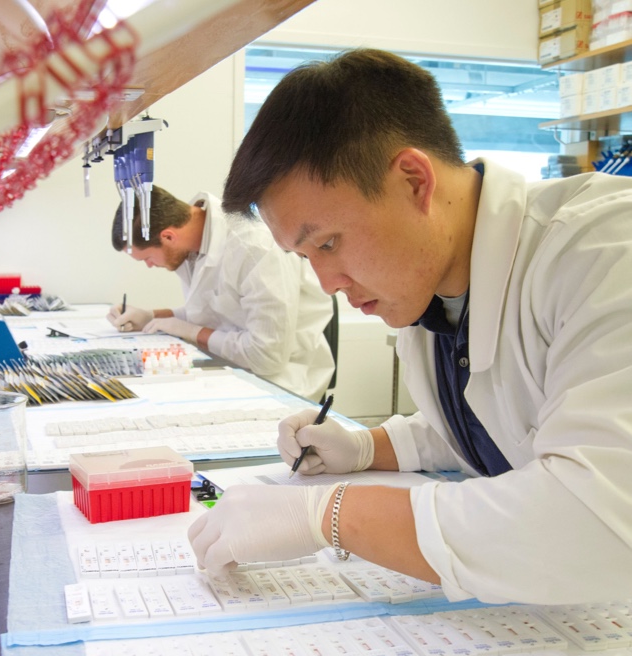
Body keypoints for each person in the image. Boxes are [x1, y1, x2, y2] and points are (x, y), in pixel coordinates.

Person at [187, 48, 632, 606]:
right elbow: (502, 419)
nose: (327, 283)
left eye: (327, 242)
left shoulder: (606, 253)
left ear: (415, 181)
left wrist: (331, 513)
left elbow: (596, 520)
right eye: (306, 257)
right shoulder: (431, 287)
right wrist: (366, 447)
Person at [107, 186, 335, 402]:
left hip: (281, 383)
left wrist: (191, 331)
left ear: (168, 237)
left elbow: (266, 356)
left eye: (147, 258)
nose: (149, 265)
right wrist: (150, 316)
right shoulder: (192, 243)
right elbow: (215, 312)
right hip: (234, 370)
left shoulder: (254, 248)